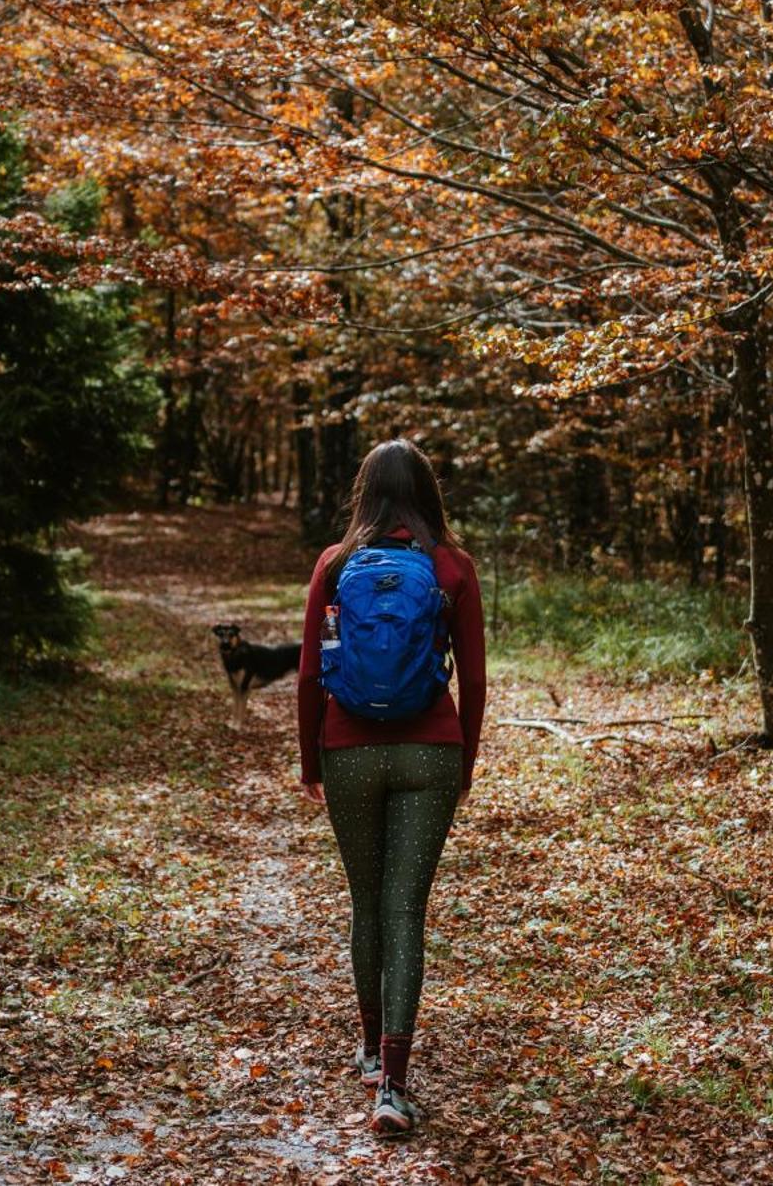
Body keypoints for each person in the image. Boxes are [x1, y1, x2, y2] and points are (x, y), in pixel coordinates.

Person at [296, 439, 486, 1134]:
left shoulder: (335, 563)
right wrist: (461, 766)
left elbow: (313, 671)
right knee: (406, 908)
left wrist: (310, 759)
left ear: (364, 492)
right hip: (430, 751)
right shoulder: (452, 567)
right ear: (429, 493)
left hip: (348, 749)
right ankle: (394, 1088)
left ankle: (370, 1052)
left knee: (367, 900)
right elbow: (474, 677)